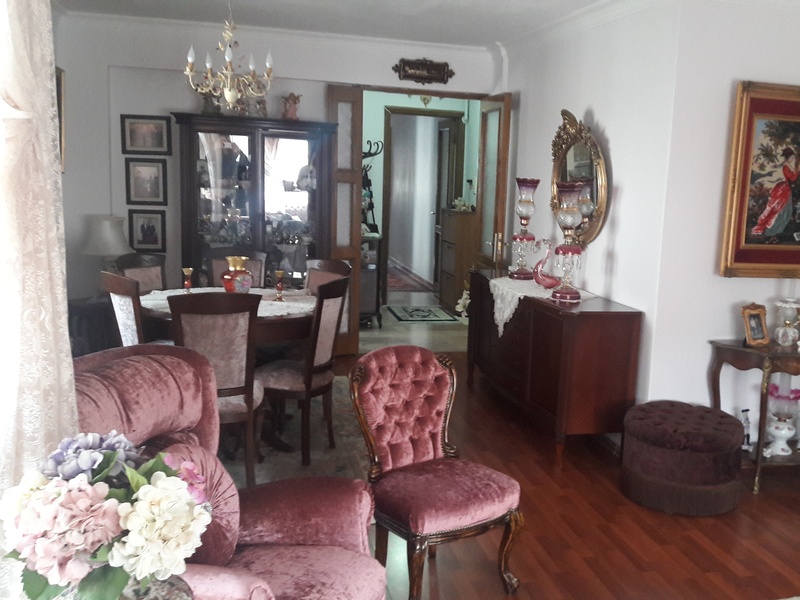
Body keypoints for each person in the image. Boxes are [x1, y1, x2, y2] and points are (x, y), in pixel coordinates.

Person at [751, 147, 800, 236]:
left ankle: (776, 231)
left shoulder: (787, 164)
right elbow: (792, 178)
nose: (793, 159)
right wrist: (798, 170)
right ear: (788, 157)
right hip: (783, 190)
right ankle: (772, 231)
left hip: (784, 189)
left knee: (783, 210)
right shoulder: (786, 165)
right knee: (781, 210)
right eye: (792, 157)